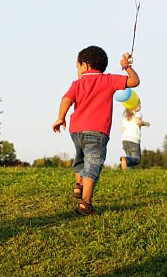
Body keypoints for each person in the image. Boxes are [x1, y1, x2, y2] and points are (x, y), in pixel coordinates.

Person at [52, 46, 139, 215]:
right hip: (97, 131)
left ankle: (78, 185)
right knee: (93, 163)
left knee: (81, 157)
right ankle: (85, 202)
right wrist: (127, 67)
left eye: (77, 67)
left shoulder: (77, 83)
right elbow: (134, 81)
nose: (77, 71)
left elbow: (66, 99)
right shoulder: (108, 80)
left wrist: (61, 117)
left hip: (76, 130)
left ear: (85, 65)